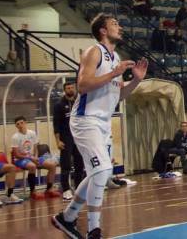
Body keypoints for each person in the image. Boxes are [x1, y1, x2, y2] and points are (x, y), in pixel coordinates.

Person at [52, 14, 148, 239]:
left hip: (103, 122)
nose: (120, 27)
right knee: (104, 169)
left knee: (100, 173)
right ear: (103, 31)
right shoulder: (94, 51)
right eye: (115, 24)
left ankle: (67, 217)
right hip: (86, 119)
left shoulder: (116, 58)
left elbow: (119, 95)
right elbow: (83, 85)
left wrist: (135, 81)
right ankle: (94, 229)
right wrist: (115, 73)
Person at [12, 116, 61, 200]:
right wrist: (31, 159)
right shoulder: (15, 137)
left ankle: (49, 189)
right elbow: (16, 154)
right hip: (20, 159)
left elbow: (36, 148)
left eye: (22, 123)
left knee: (52, 165)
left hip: (32, 157)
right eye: (18, 124)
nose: (20, 125)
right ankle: (32, 192)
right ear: (16, 126)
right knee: (32, 166)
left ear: (25, 123)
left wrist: (35, 156)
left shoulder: (32, 133)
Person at [54, 80, 85, 200]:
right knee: (66, 165)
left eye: (72, 87)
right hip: (66, 138)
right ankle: (66, 190)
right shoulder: (59, 105)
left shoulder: (79, 102)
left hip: (78, 137)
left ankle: (78, 188)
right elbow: (56, 124)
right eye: (68, 88)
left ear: (75, 89)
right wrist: (58, 141)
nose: (70, 90)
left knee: (79, 164)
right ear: (64, 90)